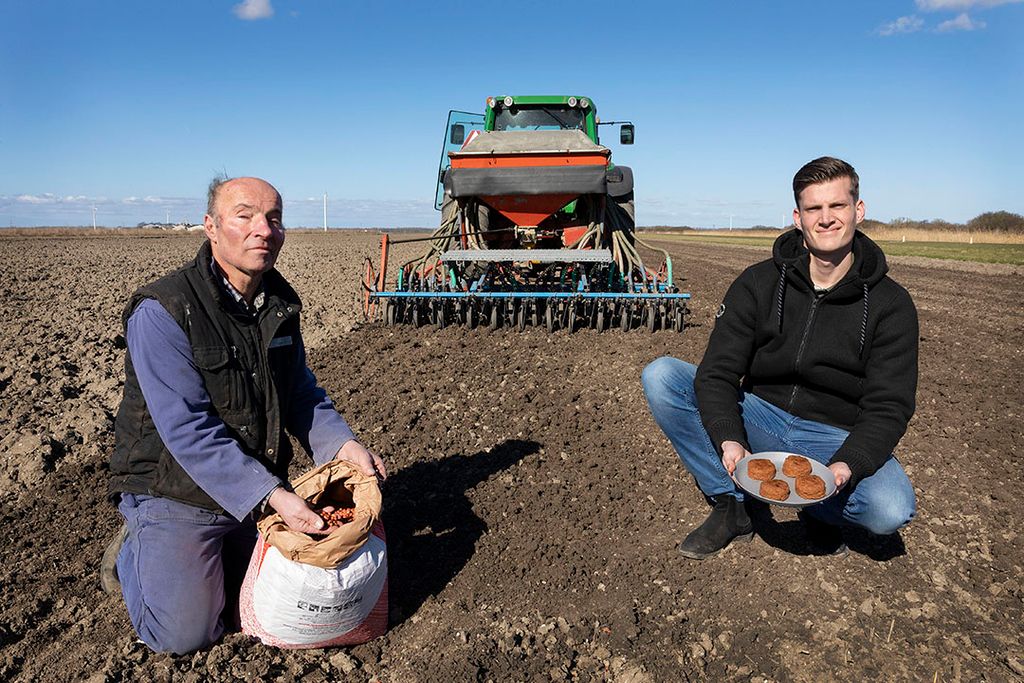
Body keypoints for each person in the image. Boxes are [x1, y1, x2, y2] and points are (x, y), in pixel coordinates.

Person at [101, 176, 386, 653]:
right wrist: (276, 496)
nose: (263, 230)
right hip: (174, 490)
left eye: (274, 218)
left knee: (259, 609)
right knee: (187, 635)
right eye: (245, 215)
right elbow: (189, 431)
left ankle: (211, 552)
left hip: (250, 488)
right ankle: (136, 546)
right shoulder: (165, 311)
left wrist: (343, 445)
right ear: (211, 227)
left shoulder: (275, 304)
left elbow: (299, 391)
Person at [642, 157, 917, 560]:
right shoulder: (758, 283)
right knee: (662, 375)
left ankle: (822, 513)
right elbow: (718, 373)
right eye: (813, 209)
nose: (826, 219)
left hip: (832, 433)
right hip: (762, 416)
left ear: (858, 210)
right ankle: (732, 505)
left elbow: (889, 406)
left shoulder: (891, 305)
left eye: (837, 206)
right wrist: (730, 439)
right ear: (797, 216)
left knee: (890, 508)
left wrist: (843, 467)